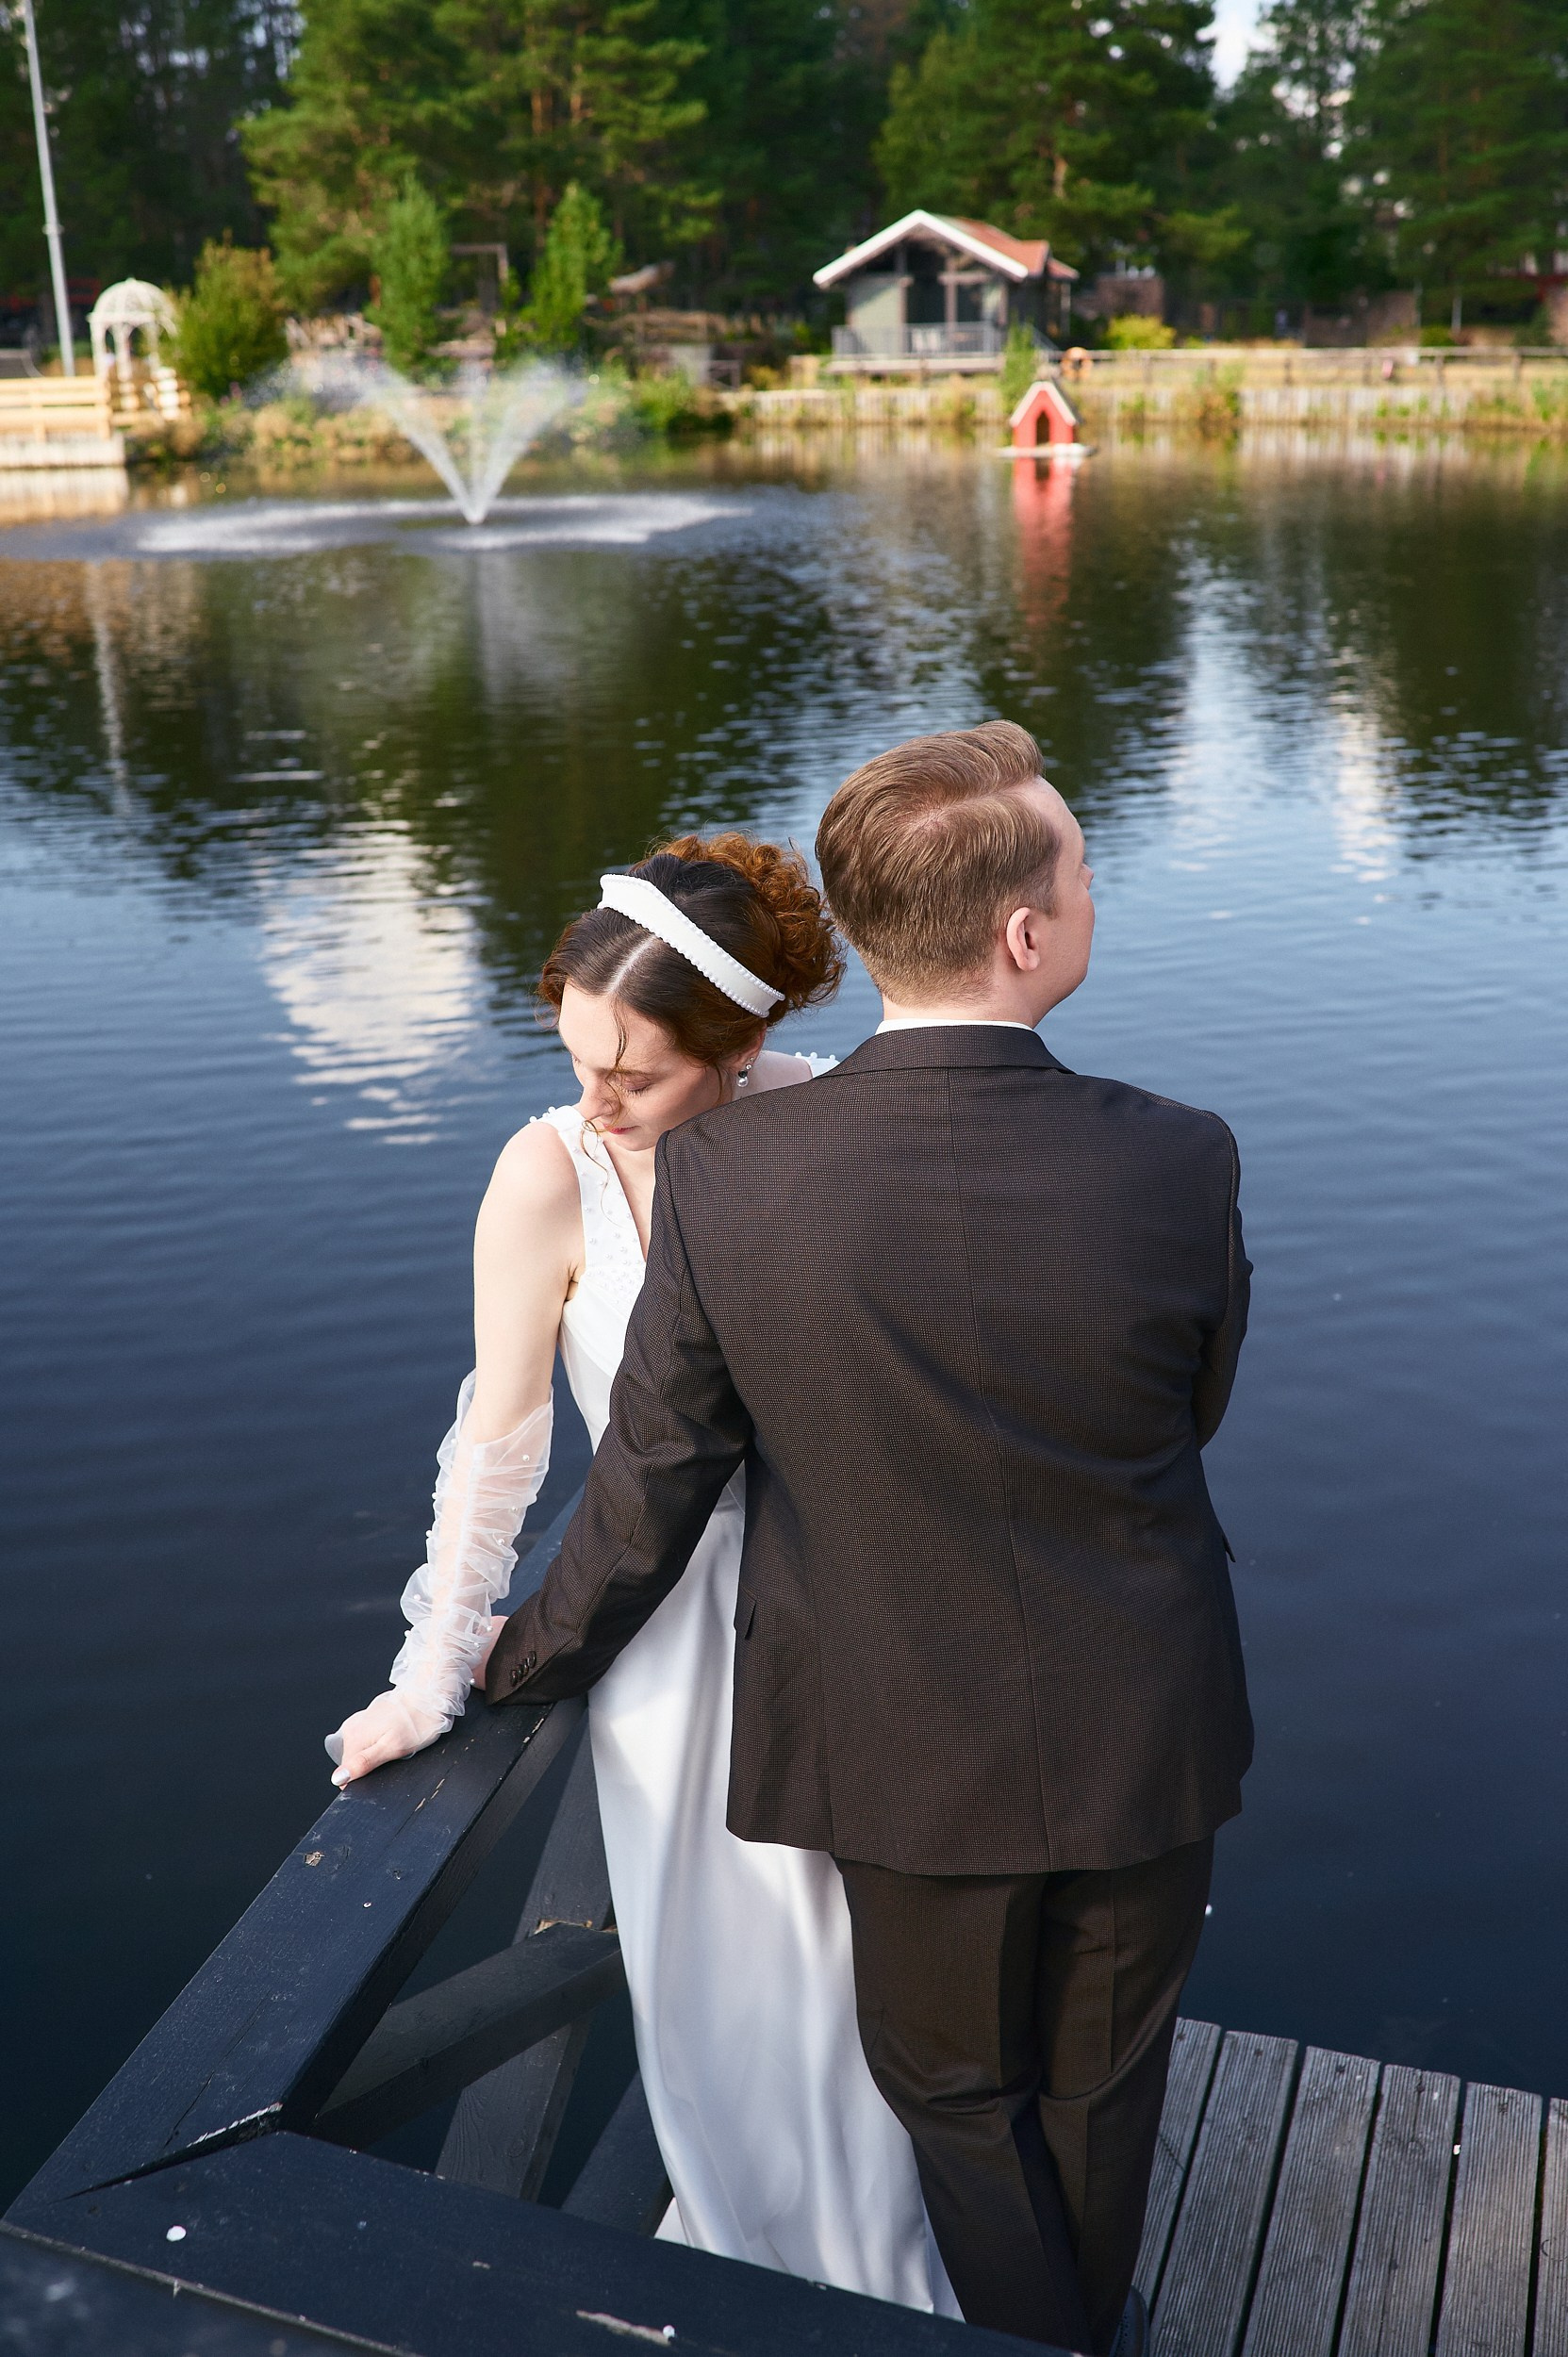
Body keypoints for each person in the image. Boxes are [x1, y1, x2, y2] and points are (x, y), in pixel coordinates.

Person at [488, 721, 1253, 2357]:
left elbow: (653, 1482)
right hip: (1144, 1722)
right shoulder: (1183, 1156)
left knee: (953, 2092)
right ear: (1027, 936)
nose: (1089, 894)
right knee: (1105, 2093)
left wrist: (509, 1661)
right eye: (1082, 869)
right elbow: (1190, 1412)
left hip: (902, 1748)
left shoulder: (733, 1177)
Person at [325, 832, 959, 2316]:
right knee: (732, 1996)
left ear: (742, 1050)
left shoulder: (822, 1119)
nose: (597, 1099)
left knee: (881, 1988)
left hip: (862, 1626)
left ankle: (883, 2283)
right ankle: (772, 2277)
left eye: (638, 1073)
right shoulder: (548, 1172)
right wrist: (435, 1668)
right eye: (578, 1057)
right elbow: (500, 1433)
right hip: (676, 1642)